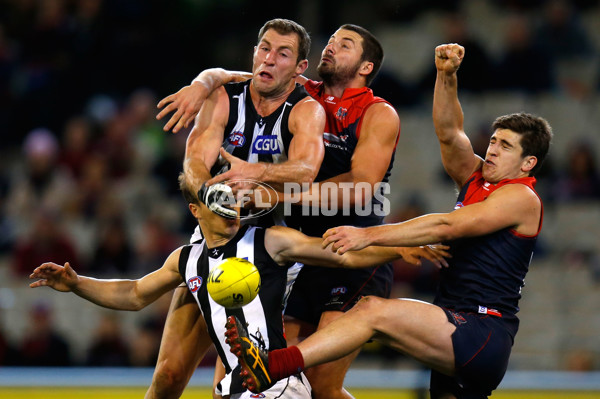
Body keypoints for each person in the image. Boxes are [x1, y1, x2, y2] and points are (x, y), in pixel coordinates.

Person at [224, 43, 554, 399]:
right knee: (355, 339)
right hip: (452, 326)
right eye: (492, 140)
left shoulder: (522, 197)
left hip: (481, 330)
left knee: (370, 311)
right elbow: (448, 132)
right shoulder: (477, 179)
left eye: (505, 146)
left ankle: (274, 365)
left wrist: (370, 236)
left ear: (528, 163)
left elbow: (446, 226)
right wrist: (446, 76)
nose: (491, 149)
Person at [29, 154, 448, 398]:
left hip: (278, 385)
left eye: (233, 199)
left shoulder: (270, 241)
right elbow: (135, 293)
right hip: (234, 387)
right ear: (196, 210)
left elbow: (338, 256)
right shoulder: (187, 260)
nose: (231, 207)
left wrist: (396, 246)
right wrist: (77, 284)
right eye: (218, 201)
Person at [157, 24, 400, 399]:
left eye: (344, 44)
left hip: (339, 249)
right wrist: (202, 83)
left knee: (318, 385)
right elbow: (227, 77)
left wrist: (265, 188)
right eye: (331, 40)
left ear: (366, 66)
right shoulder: (295, 89)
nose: (331, 46)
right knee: (214, 375)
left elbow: (359, 187)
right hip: (270, 246)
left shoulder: (366, 112)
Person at [149, 18, 327, 399]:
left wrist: (255, 172)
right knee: (167, 375)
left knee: (235, 376)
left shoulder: (306, 110)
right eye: (264, 48)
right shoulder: (224, 97)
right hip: (215, 237)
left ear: (300, 69)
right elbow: (196, 163)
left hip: (270, 252)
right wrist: (215, 203)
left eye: (282, 54)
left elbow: (306, 171)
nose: (269, 59)